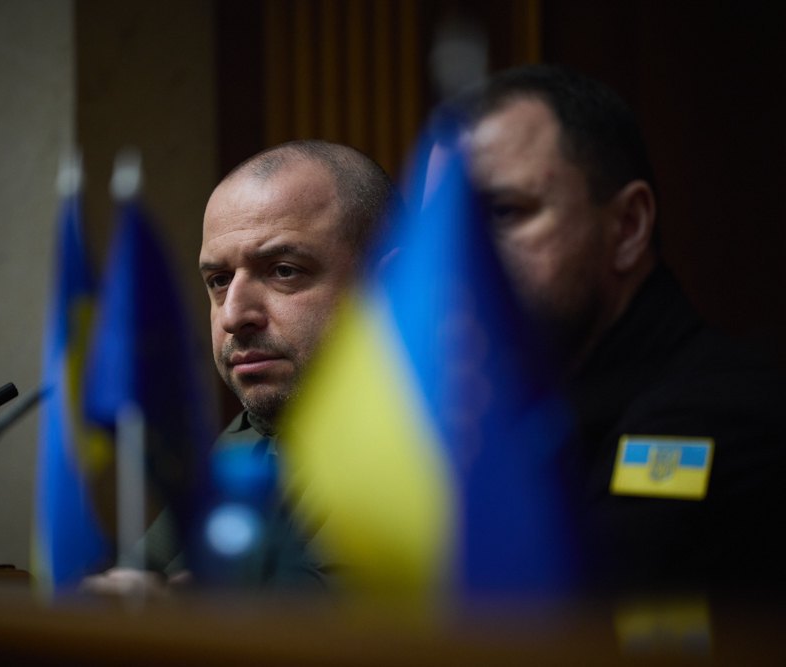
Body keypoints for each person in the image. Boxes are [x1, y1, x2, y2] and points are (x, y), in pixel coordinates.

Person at [457, 64, 786, 596]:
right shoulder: (504, 414)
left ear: (629, 227)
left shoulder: (723, 414)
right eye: (451, 230)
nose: (463, 261)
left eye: (505, 212)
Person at [82, 139, 397, 595]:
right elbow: (143, 576)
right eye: (219, 280)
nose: (232, 315)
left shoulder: (434, 437)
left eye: (283, 270)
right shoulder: (247, 435)